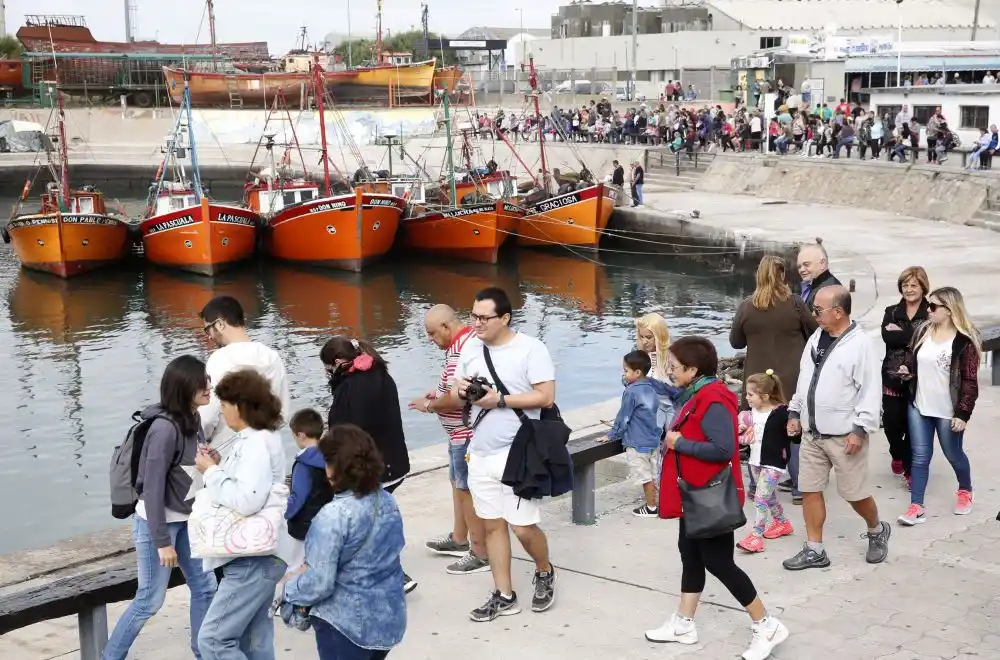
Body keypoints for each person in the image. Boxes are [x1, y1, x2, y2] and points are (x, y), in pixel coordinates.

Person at [645, 337, 788, 660]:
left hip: (710, 494)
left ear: (693, 370)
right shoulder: (694, 394)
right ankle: (684, 623)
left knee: (718, 561)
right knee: (690, 552)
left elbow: (724, 449)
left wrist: (680, 444)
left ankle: (766, 624)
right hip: (692, 494)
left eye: (674, 367)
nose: (669, 371)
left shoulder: (712, 398)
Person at [449, 287, 557, 622]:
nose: (476, 323)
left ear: (505, 317)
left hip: (518, 452)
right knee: (493, 526)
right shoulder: (470, 347)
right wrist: (462, 391)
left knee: (523, 528)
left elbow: (546, 397)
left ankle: (544, 570)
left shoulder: (531, 349)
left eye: (484, 318)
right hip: (480, 452)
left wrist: (500, 400)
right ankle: (504, 594)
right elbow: (455, 392)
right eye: (473, 316)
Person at [102, 356, 218, 660]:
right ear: (183, 387)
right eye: (202, 382)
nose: (209, 387)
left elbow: (187, 470)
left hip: (187, 521)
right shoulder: (164, 430)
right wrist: (162, 543)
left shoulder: (194, 420)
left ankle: (203, 653)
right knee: (149, 601)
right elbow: (151, 490)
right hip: (160, 525)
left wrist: (210, 460)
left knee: (205, 588)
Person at [782, 286, 891, 571]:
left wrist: (859, 429)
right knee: (809, 490)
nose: (813, 314)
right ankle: (815, 548)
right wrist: (795, 411)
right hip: (812, 434)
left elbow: (870, 390)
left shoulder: (860, 344)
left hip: (845, 436)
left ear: (838, 312)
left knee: (854, 494)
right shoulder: (817, 337)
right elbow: (805, 380)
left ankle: (877, 529)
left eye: (818, 310)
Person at [283, 425, 407, 660]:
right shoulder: (387, 500)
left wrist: (290, 588)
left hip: (347, 623)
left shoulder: (333, 514)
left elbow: (319, 582)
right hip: (388, 617)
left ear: (334, 470)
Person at [195, 369, 290, 660]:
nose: (221, 411)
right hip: (261, 556)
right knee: (254, 640)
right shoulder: (260, 438)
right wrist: (221, 466)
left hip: (249, 558)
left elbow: (247, 500)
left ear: (240, 405)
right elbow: (251, 486)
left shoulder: (255, 443)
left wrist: (210, 472)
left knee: (212, 640)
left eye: (224, 405)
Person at [321, 336, 415, 593]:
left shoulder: (350, 387)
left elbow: (346, 433)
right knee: (377, 521)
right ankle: (391, 572)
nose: (327, 373)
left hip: (372, 469)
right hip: (396, 464)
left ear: (338, 362)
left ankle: (393, 574)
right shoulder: (382, 375)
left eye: (327, 367)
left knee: (365, 526)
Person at [731, 255, 816, 505]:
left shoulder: (747, 306)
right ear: (782, 276)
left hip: (758, 380)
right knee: (792, 430)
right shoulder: (796, 304)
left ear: (758, 276)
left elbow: (736, 342)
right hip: (791, 378)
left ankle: (757, 484)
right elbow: (813, 331)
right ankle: (799, 487)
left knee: (756, 428)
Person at [411, 304, 489, 575]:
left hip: (466, 434)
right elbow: (452, 387)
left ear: (446, 326)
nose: (432, 340)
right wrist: (436, 394)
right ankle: (458, 538)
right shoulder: (464, 344)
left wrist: (431, 405)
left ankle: (479, 553)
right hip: (457, 433)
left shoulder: (461, 351)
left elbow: (458, 397)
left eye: (433, 334)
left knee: (466, 491)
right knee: (458, 485)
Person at [897, 287, 981, 526]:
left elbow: (969, 382)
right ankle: (916, 506)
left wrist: (963, 413)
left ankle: (965, 490)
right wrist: (907, 370)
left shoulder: (964, 342)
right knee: (920, 457)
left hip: (948, 411)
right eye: (928, 305)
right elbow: (911, 357)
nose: (928, 310)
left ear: (949, 310)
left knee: (953, 454)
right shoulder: (923, 331)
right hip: (920, 406)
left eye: (933, 306)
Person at [200, 296, 291, 459]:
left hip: (226, 454)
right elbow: (282, 413)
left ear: (220, 324)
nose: (209, 336)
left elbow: (208, 417)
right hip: (268, 450)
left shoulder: (219, 360)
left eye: (208, 330)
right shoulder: (271, 357)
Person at [601, 350, 675, 517]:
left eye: (626, 370)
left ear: (637, 372)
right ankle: (657, 502)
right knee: (654, 473)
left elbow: (624, 416)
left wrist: (612, 434)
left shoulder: (631, 392)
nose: (624, 373)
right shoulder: (652, 388)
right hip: (653, 440)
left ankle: (650, 507)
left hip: (637, 441)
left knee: (645, 477)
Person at [880, 267, 930, 485]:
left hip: (921, 377)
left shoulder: (932, 312)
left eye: (914, 285)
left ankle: (910, 470)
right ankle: (897, 453)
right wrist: (913, 336)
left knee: (914, 426)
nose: (909, 289)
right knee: (891, 424)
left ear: (923, 287)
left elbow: (929, 339)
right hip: (892, 377)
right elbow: (887, 338)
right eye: (905, 285)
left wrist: (899, 333)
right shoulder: (891, 311)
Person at [736, 371, 795, 554]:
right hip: (754, 461)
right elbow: (745, 435)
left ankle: (756, 536)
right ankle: (782, 522)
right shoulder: (750, 414)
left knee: (760, 498)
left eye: (751, 394)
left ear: (765, 396)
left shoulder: (782, 413)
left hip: (773, 463)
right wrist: (742, 430)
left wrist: (794, 431)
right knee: (768, 496)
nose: (747, 398)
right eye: (746, 393)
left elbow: (794, 433)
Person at [285, 408, 333, 567]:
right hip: (327, 522)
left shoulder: (303, 465)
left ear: (300, 435)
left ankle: (294, 591)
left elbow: (297, 498)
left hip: (305, 526)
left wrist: (284, 513)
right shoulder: (331, 457)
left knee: (297, 564)